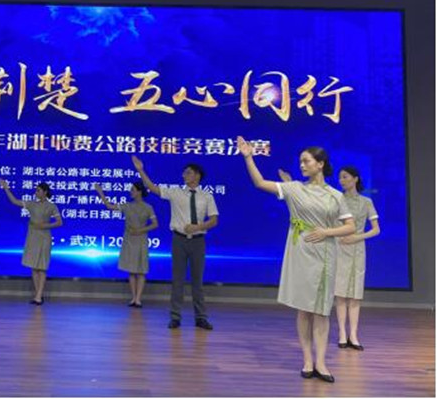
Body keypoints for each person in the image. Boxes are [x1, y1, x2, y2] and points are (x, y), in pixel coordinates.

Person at [237, 136, 355, 383]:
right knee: (304, 308)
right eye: (300, 161)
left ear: (320, 164)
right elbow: (260, 183)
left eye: (306, 161)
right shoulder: (294, 188)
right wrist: (248, 157)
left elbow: (350, 227)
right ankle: (307, 360)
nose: (302, 165)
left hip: (325, 253)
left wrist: (326, 232)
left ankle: (321, 362)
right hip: (300, 251)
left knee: (321, 310)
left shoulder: (335, 195)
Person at [131, 155, 218, 330]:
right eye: (184, 173)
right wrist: (141, 170)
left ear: (197, 175)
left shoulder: (207, 196)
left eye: (188, 173)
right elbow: (152, 188)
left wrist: (198, 227)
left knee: (197, 282)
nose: (184, 175)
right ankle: (175, 317)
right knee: (177, 280)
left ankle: (201, 317)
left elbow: (214, 220)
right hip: (179, 240)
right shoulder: (176, 192)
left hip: (198, 241)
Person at [334, 166, 380, 351]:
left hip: (358, 250)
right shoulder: (337, 200)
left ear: (355, 179)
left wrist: (357, 237)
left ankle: (353, 334)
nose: (341, 181)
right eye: (340, 178)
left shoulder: (366, 202)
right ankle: (341, 333)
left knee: (355, 295)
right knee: (340, 294)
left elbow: (376, 230)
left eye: (345, 177)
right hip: (340, 247)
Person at [94, 181, 158, 307]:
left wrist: (140, 230)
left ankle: (138, 299)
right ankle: (133, 298)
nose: (131, 192)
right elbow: (109, 206)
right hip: (129, 239)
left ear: (139, 192)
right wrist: (100, 193)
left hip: (141, 240)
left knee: (141, 270)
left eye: (133, 190)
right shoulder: (127, 206)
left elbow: (155, 224)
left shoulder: (148, 207)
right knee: (131, 270)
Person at [0, 179, 62, 305]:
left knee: (42, 267)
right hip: (32, 237)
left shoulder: (52, 206)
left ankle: (39, 296)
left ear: (45, 192)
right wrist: (6, 188)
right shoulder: (32, 204)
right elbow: (15, 201)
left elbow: (59, 222)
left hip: (44, 238)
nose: (36, 192)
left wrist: (44, 226)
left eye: (38, 190)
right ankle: (38, 295)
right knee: (34, 266)